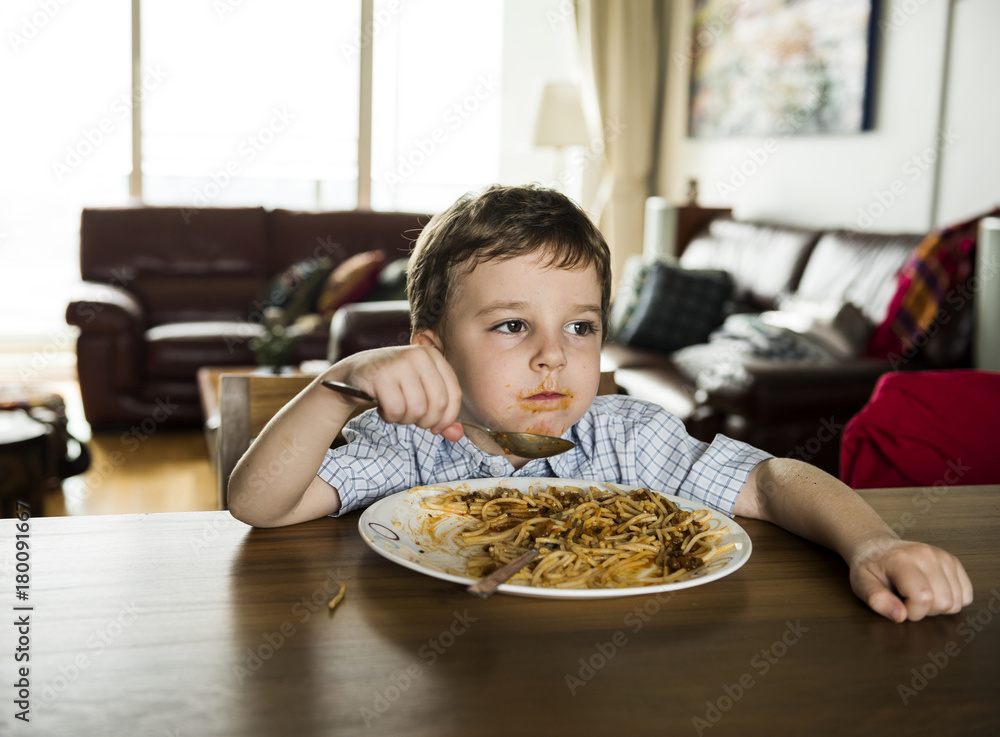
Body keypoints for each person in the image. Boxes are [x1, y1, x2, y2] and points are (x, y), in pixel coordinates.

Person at [228, 184, 973, 623]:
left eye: (579, 326)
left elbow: (777, 481)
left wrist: (871, 543)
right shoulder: (408, 445)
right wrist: (337, 388)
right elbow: (259, 504)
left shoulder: (628, 438)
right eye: (513, 325)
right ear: (433, 349)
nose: (554, 354)